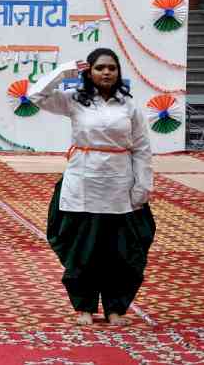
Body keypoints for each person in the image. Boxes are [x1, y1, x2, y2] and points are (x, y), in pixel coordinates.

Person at [27, 48, 155, 326]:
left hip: (120, 185)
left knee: (119, 251)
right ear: (89, 72)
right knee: (83, 248)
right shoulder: (74, 100)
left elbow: (142, 148)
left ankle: (115, 308)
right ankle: (84, 306)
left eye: (111, 67)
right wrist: (65, 71)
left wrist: (142, 186)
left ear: (118, 72)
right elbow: (36, 96)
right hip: (83, 181)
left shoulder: (129, 106)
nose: (106, 72)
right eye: (99, 68)